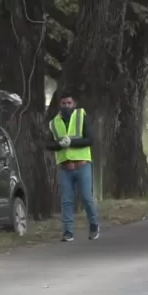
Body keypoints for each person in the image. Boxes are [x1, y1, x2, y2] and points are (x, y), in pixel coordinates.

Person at [46, 91, 100, 242]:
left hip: (82, 165)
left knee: (86, 197)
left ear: (74, 104)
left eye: (69, 103)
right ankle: (68, 232)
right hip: (65, 168)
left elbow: (90, 139)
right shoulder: (54, 122)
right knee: (66, 200)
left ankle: (94, 225)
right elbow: (48, 144)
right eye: (63, 103)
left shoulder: (81, 117)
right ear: (59, 104)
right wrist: (58, 145)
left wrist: (72, 142)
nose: (66, 106)